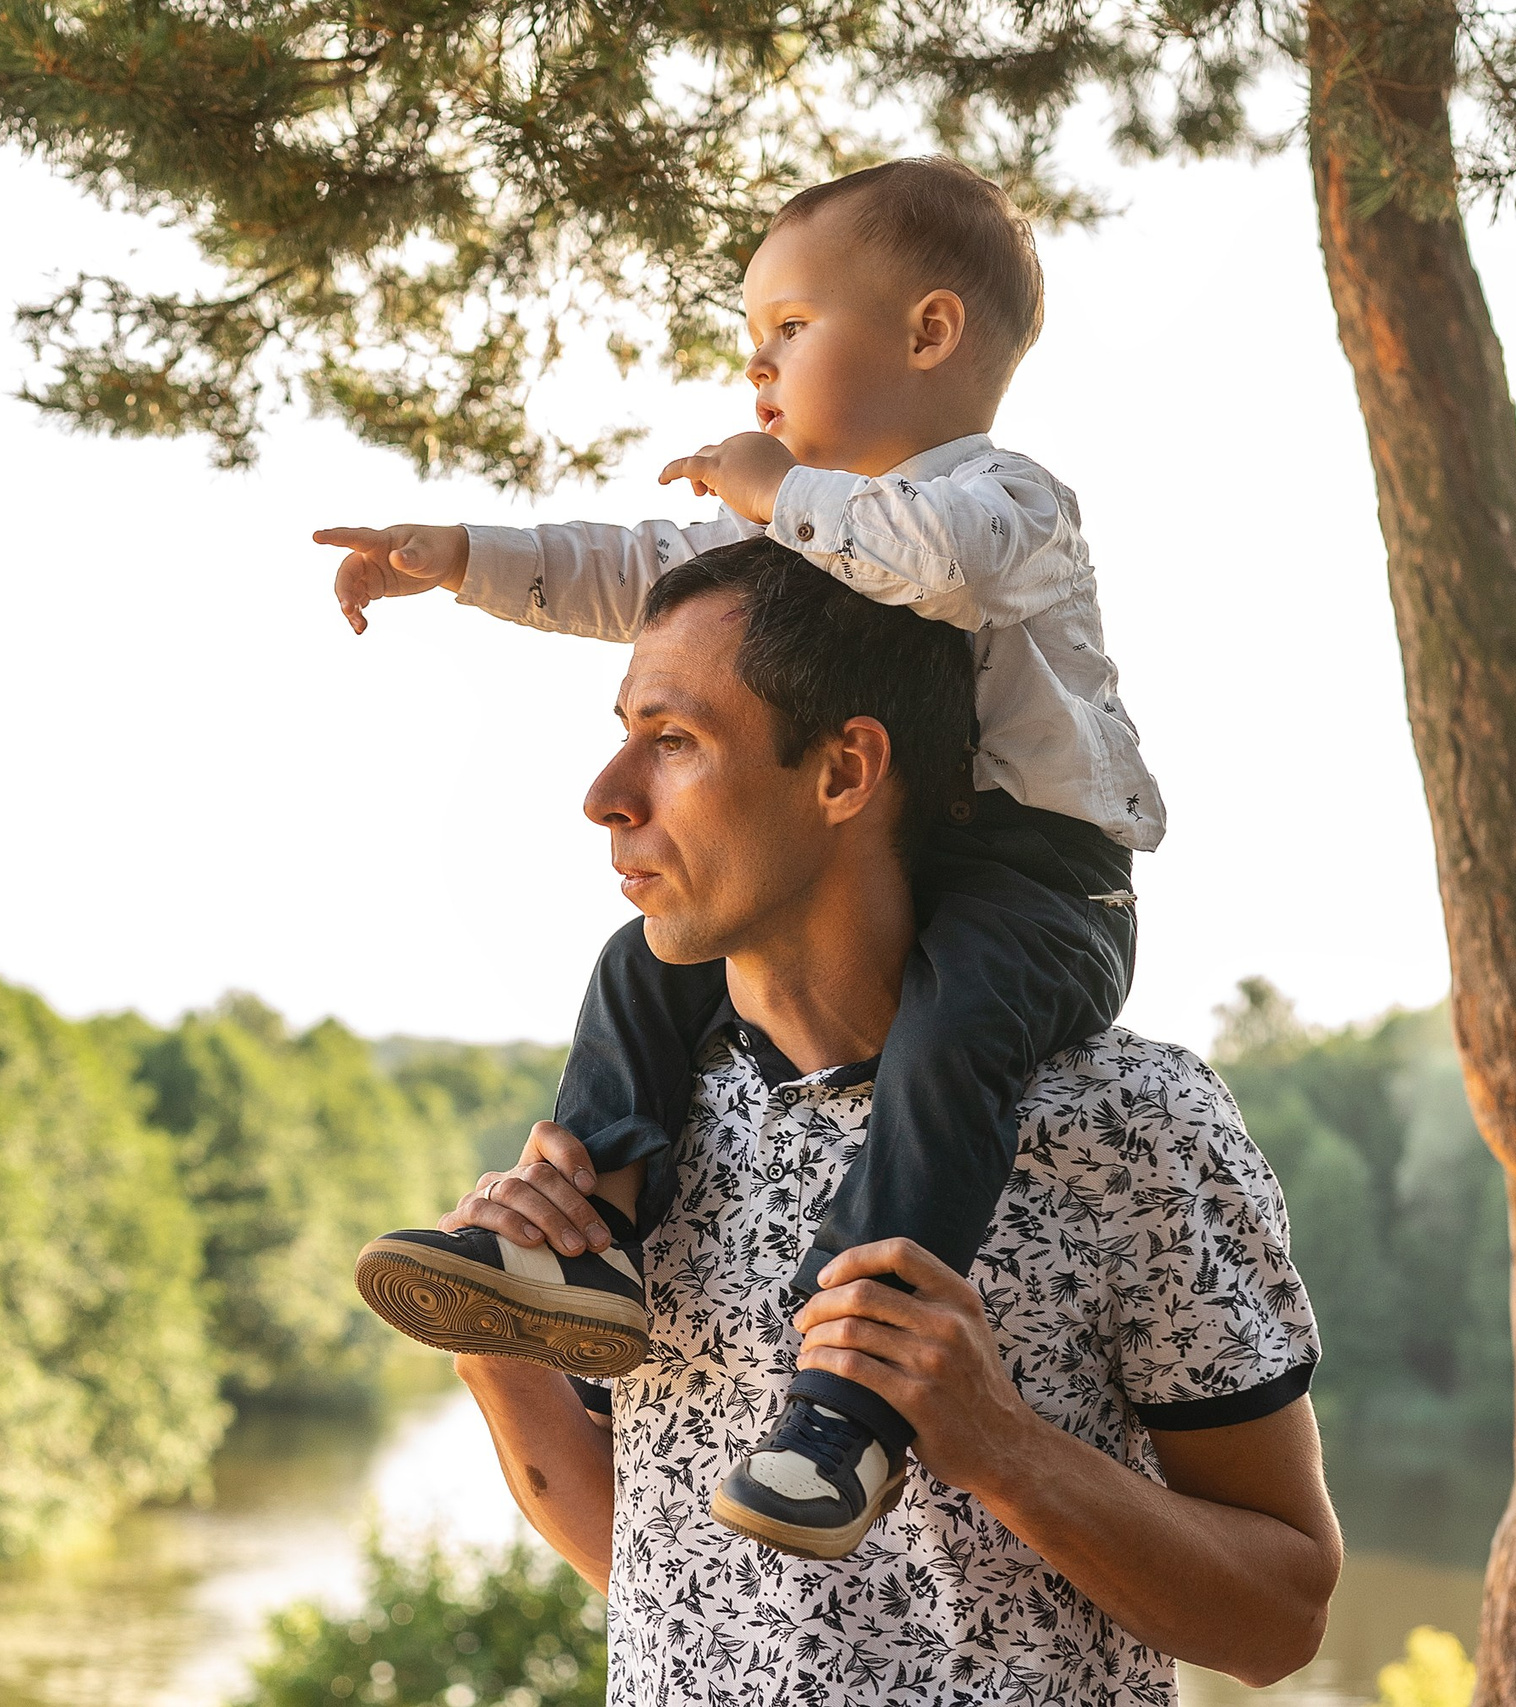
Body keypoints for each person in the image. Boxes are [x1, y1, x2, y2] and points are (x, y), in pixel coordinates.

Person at [331, 156, 1158, 1557]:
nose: (757, 366)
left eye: (788, 329)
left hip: (1038, 883)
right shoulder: (800, 529)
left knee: (953, 1034)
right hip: (903, 862)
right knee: (642, 959)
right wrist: (463, 555)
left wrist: (779, 492)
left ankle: (851, 1399)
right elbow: (647, 568)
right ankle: (581, 1223)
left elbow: (934, 564)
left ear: (930, 333)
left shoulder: (1009, 502)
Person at [440, 539, 1341, 1699]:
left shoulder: (1128, 1123)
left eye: (672, 741)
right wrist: (500, 1365)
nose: (604, 795)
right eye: (622, 732)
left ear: (843, 771)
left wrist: (1001, 1447)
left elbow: (1279, 1620)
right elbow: (683, 1586)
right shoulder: (650, 1119)